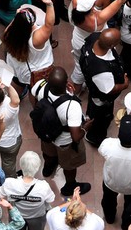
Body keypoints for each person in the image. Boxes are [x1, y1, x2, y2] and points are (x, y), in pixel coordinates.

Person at [31, 67, 89, 196]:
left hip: (47, 133)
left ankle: (48, 168)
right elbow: (75, 137)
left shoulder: (40, 86)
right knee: (69, 165)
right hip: (64, 141)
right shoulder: (72, 106)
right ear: (66, 83)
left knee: (48, 152)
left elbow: (33, 98)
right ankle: (70, 186)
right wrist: (86, 128)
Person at [0, 151, 55, 230]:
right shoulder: (43, 186)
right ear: (37, 168)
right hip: (37, 216)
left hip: (16, 215)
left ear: (21, 165)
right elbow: (50, 200)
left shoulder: (10, 183)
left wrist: (3, 202)